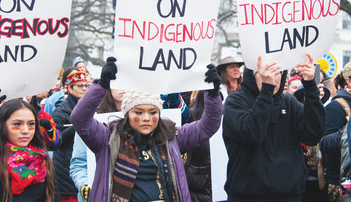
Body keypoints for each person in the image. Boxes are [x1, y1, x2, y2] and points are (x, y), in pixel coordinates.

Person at [70, 57, 223, 201]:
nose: (146, 118)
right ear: (127, 113)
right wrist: (101, 86)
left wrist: (213, 94)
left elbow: (208, 126)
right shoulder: (106, 138)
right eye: (138, 112)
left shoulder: (173, 137)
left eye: (152, 112)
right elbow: (79, 119)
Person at [222, 54, 326, 202]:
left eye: (278, 72)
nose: (273, 78)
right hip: (248, 195)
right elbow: (253, 133)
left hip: (290, 195)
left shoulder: (290, 102)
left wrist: (310, 88)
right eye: (267, 73)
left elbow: (313, 134)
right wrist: (266, 91)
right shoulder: (236, 101)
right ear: (252, 75)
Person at [69, 88, 125, 202]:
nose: (123, 88)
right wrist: (84, 184)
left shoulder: (145, 122)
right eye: (117, 83)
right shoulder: (90, 122)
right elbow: (79, 163)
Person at [52, 71, 91, 202]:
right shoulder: (61, 110)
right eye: (80, 86)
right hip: (65, 169)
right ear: (70, 88)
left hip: (87, 168)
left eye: (87, 86)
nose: (84, 89)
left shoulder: (93, 109)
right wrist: (76, 126)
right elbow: (55, 140)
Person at [321, 61, 351, 200]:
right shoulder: (336, 107)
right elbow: (324, 144)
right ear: (348, 81)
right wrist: (346, 134)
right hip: (342, 185)